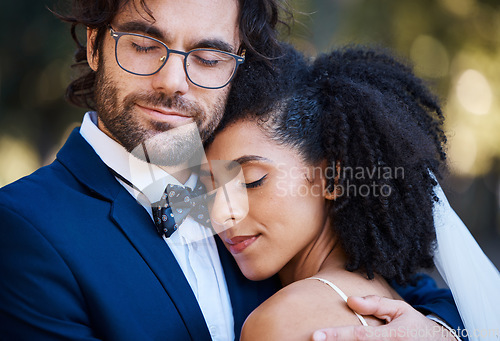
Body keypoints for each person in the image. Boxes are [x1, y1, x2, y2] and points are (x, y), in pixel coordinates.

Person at [0, 0, 469, 340]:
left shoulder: (226, 179)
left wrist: (443, 334)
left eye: (207, 58)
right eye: (144, 44)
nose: (173, 81)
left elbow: (403, 287)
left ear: (235, 66)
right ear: (96, 44)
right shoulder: (23, 227)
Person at [202, 44, 497, 341]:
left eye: (251, 181)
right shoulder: (393, 298)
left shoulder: (281, 323)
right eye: (208, 187)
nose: (221, 212)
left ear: (333, 178)